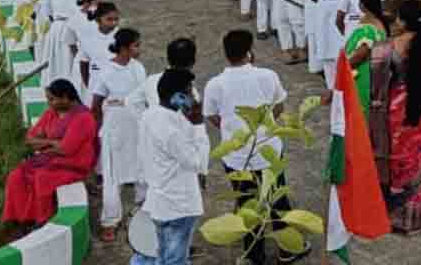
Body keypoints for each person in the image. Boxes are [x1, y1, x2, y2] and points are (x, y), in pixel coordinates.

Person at [202, 30, 304, 265]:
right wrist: (264, 125)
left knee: (246, 203)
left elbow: (213, 117)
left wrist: (232, 129)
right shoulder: (267, 76)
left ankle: (253, 255)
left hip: (237, 156)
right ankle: (286, 250)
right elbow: (278, 106)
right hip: (268, 150)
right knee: (278, 200)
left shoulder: (215, 84)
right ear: (249, 52)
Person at [368, 1, 421, 232]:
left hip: (397, 111)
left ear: (403, 22)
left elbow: (377, 86)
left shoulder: (386, 47)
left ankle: (396, 212)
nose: (395, 22)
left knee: (398, 157)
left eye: (397, 18)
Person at [132, 68, 209, 265]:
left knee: (159, 254)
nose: (194, 97)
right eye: (190, 92)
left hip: (159, 202)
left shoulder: (150, 116)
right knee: (174, 260)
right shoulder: (170, 130)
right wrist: (199, 125)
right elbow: (199, 163)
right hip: (178, 206)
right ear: (178, 97)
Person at [2, 79, 97, 224]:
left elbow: (66, 149)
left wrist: (43, 144)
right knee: (16, 176)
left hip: (73, 164)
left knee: (42, 179)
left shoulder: (83, 118)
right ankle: (20, 219)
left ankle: (42, 220)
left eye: (52, 99)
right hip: (50, 159)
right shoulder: (52, 113)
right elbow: (30, 138)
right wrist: (51, 142)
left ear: (65, 98)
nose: (49, 103)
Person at [90, 28, 148, 241]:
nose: (139, 49)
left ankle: (144, 214)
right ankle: (110, 221)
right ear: (124, 48)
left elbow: (143, 96)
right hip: (115, 128)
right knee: (113, 175)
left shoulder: (139, 68)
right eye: (136, 45)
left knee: (142, 170)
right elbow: (95, 104)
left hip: (138, 125)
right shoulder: (107, 71)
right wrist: (97, 129)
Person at [308, 0, 356, 89]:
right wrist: (324, 4)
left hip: (340, 10)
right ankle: (331, 85)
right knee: (325, 45)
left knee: (340, 45)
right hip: (323, 11)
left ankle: (343, 82)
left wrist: (342, 7)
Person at [344, 0, 387, 113]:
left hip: (362, 75)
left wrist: (344, 67)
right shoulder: (379, 22)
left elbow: (360, 55)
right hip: (373, 75)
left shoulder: (369, 29)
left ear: (362, 5)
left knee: (360, 113)